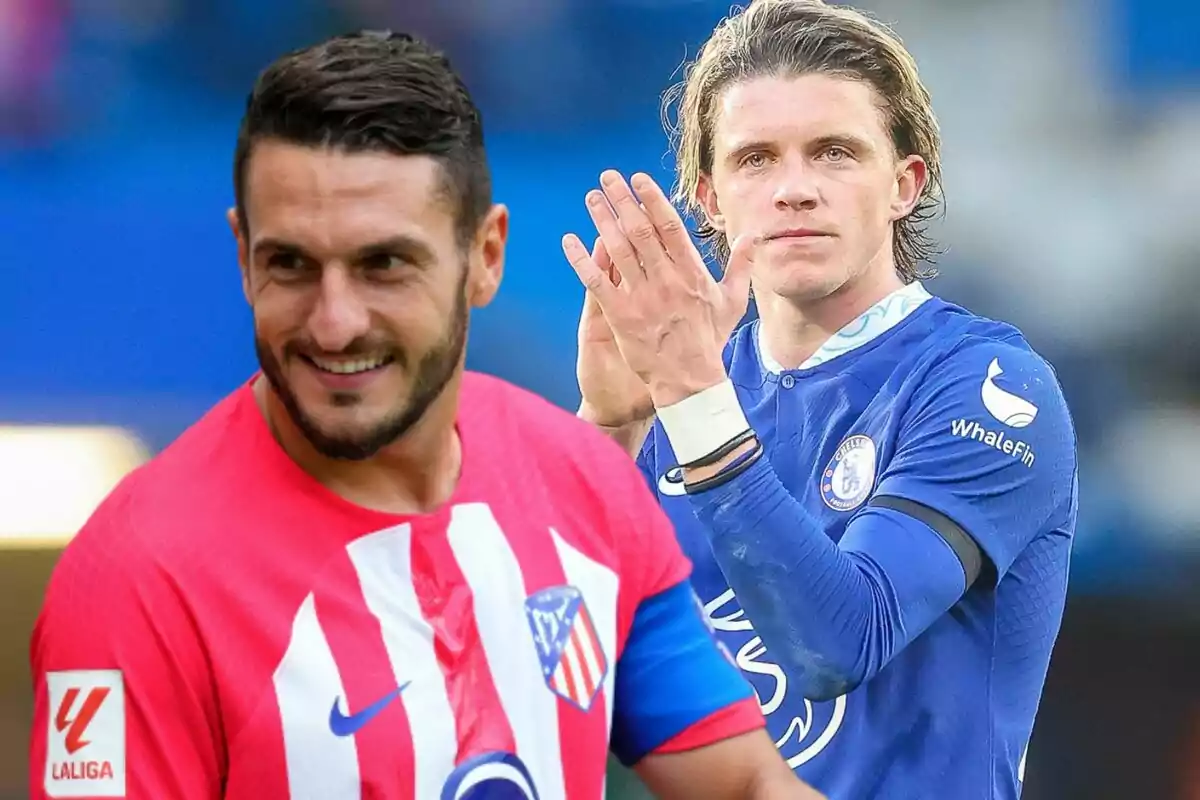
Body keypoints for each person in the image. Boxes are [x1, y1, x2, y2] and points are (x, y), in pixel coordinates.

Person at [29, 31, 823, 800]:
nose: (334, 322)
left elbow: (745, 782)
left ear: (485, 257)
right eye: (291, 265)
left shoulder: (583, 484)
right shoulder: (138, 578)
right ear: (243, 256)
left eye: (384, 266)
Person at [566, 1, 1078, 798]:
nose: (794, 190)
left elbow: (837, 643)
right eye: (756, 159)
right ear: (708, 198)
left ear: (904, 184)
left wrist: (689, 397)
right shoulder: (680, 389)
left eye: (834, 152)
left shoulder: (984, 385)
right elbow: (550, 655)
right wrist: (610, 427)